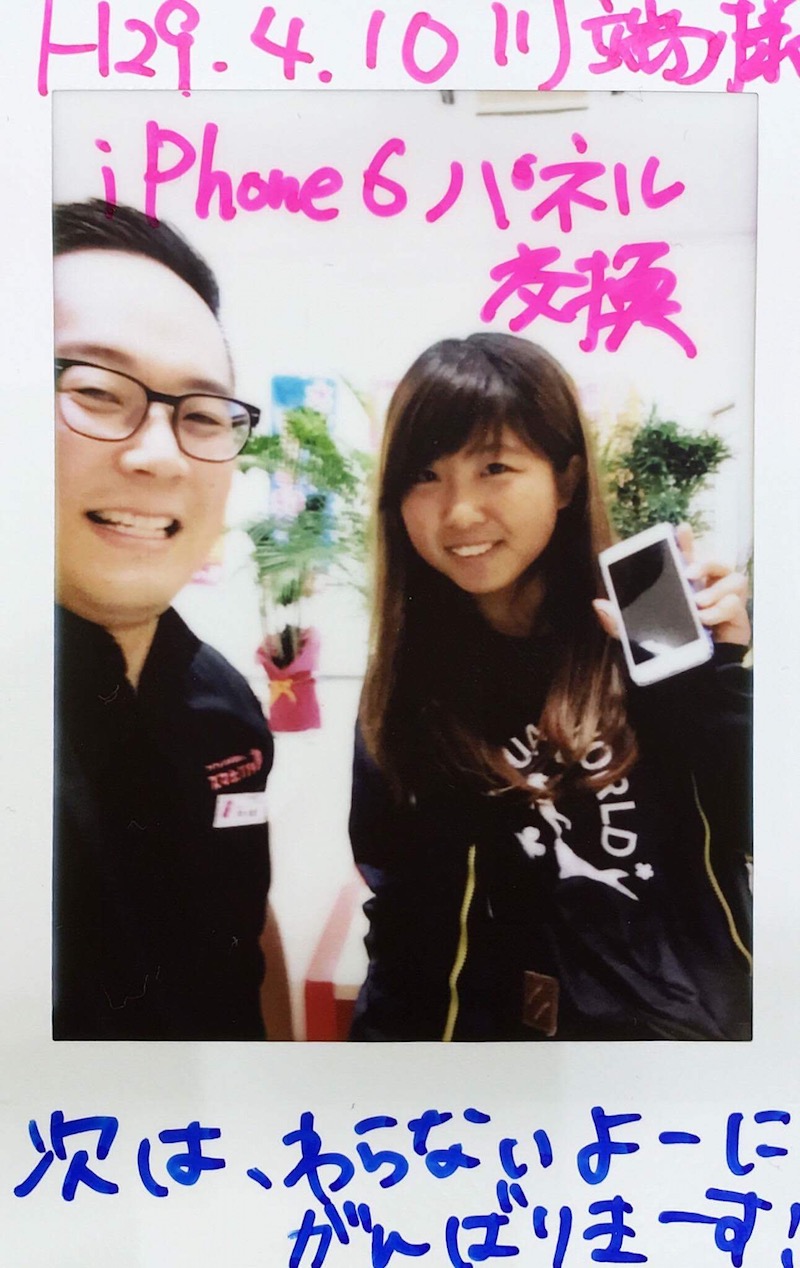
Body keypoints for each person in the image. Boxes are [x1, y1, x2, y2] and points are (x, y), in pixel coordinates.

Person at [350, 332, 752, 1042]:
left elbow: (757, 824)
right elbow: (405, 926)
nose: (459, 512)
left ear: (565, 481)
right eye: (425, 475)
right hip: (504, 1067)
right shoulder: (406, 693)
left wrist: (718, 681)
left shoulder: (644, 633)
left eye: (495, 467)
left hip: (683, 1051)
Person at [53, 199, 290, 1040]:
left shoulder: (223, 704)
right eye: (94, 390)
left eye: (201, 416)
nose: (159, 455)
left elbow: (246, 928)